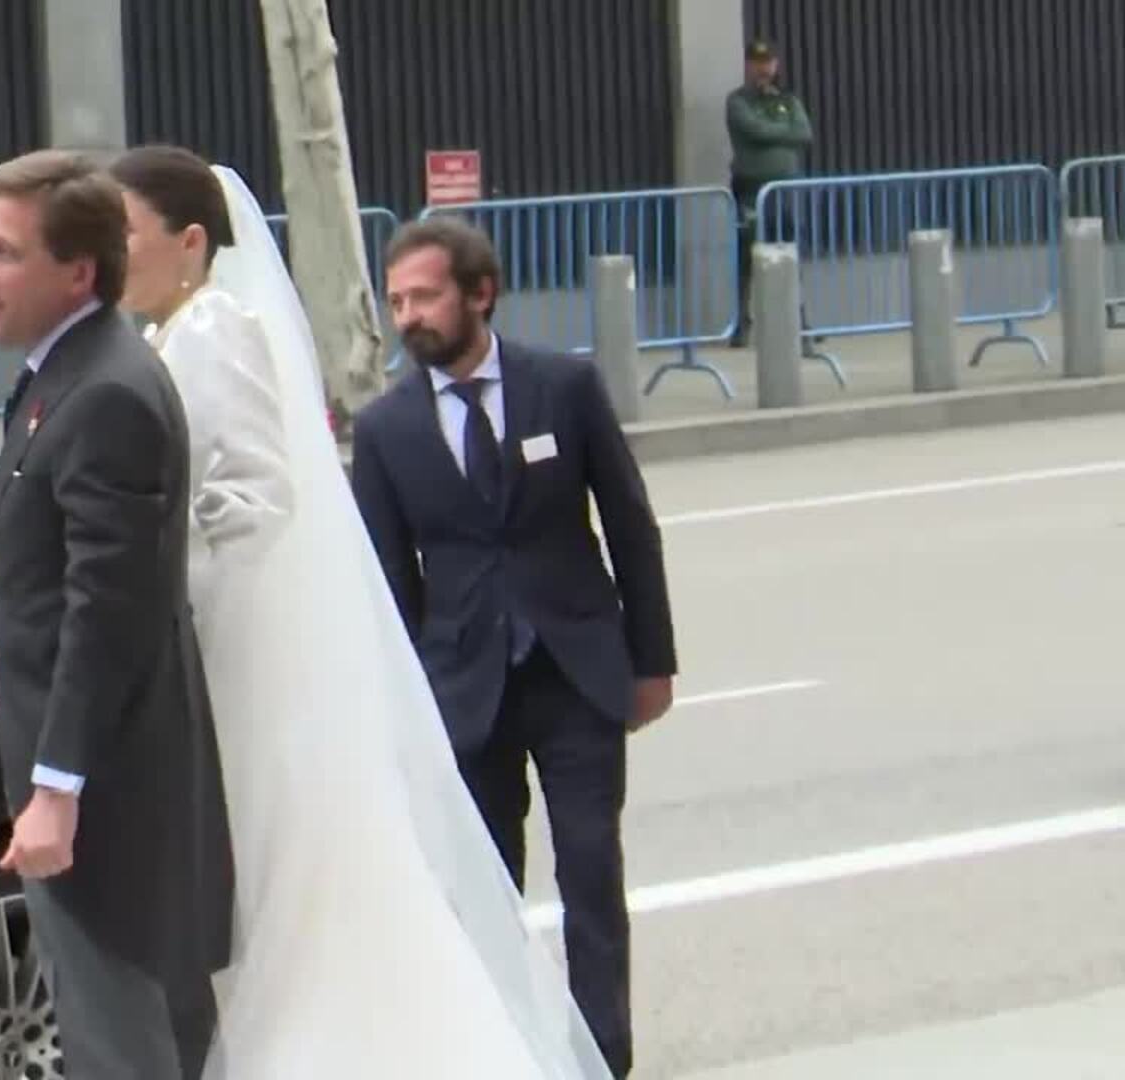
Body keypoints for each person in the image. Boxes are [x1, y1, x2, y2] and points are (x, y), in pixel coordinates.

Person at [107, 143, 615, 1079]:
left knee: (291, 869)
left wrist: (159, 568)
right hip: (224, 647)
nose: (111, 252)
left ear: (189, 242)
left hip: (240, 639)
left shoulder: (214, 328)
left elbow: (255, 496)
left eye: (126, 233)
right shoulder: (165, 336)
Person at [350, 216, 679, 1079]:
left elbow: (630, 525)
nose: (409, 316)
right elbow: (389, 581)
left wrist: (652, 661)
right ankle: (505, 1051)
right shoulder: (385, 429)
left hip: (576, 673)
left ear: (480, 293)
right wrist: (407, 704)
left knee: (591, 873)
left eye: (425, 297)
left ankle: (602, 1058)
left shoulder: (563, 387)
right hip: (467, 689)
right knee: (487, 888)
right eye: (397, 302)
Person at [0, 149, 234, 1080]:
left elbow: (109, 610)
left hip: (106, 803)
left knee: (125, 1044)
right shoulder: (64, 372)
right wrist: (6, 647)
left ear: (78, 272)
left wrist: (55, 790)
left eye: (2, 253)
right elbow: (51, 570)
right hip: (81, 780)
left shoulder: (108, 389)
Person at [726, 37, 813, 347]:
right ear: (748, 66)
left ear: (775, 65)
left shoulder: (788, 99)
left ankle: (799, 320)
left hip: (784, 190)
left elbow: (804, 132)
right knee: (747, 257)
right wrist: (783, 130)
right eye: (757, 63)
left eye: (768, 63)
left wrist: (777, 129)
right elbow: (754, 130)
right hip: (751, 190)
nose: (763, 69)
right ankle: (741, 322)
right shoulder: (738, 101)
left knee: (790, 254)